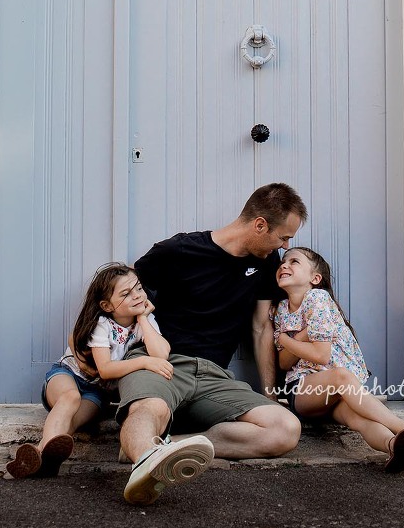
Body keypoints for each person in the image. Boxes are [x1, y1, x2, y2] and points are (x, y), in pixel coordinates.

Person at [117, 183, 308, 505]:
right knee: (151, 408)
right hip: (161, 361)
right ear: (260, 224)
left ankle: (160, 446)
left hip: (213, 375)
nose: (286, 245)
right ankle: (144, 461)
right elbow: (122, 295)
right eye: (283, 237)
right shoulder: (178, 250)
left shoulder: (266, 262)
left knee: (284, 429)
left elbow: (261, 328)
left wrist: (270, 393)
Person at [274, 247, 404, 472]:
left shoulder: (317, 298)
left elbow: (320, 356)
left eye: (294, 261)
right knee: (342, 376)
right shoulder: (281, 310)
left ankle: (394, 446)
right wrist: (296, 337)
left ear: (315, 278)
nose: (284, 265)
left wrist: (288, 339)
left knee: (359, 419)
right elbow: (285, 363)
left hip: (336, 393)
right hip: (304, 391)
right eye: (283, 262)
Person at [7, 261, 172, 479]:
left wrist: (142, 317)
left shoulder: (145, 322)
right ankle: (41, 452)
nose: (138, 296)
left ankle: (42, 457)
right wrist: (144, 362)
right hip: (67, 375)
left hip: (97, 392)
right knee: (70, 398)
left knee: (73, 422)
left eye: (139, 289)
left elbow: (161, 354)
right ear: (107, 305)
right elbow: (105, 370)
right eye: (126, 293)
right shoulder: (102, 323)